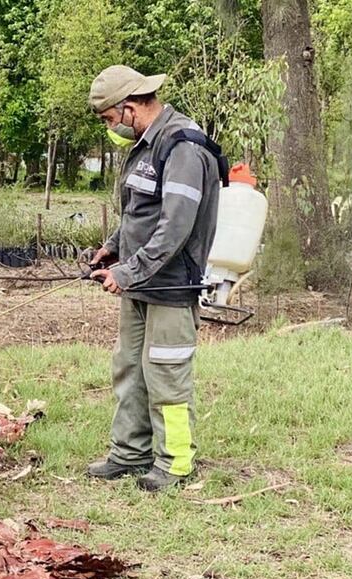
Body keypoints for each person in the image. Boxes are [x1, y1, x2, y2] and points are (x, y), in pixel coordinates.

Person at [84, 65, 222, 492]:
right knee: (130, 369)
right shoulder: (146, 144)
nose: (111, 128)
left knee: (167, 374)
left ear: (128, 108)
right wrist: (113, 248)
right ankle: (130, 453)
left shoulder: (183, 146)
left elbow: (175, 228)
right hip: (141, 281)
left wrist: (127, 271)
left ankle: (175, 462)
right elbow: (140, 213)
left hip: (171, 284)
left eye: (109, 119)